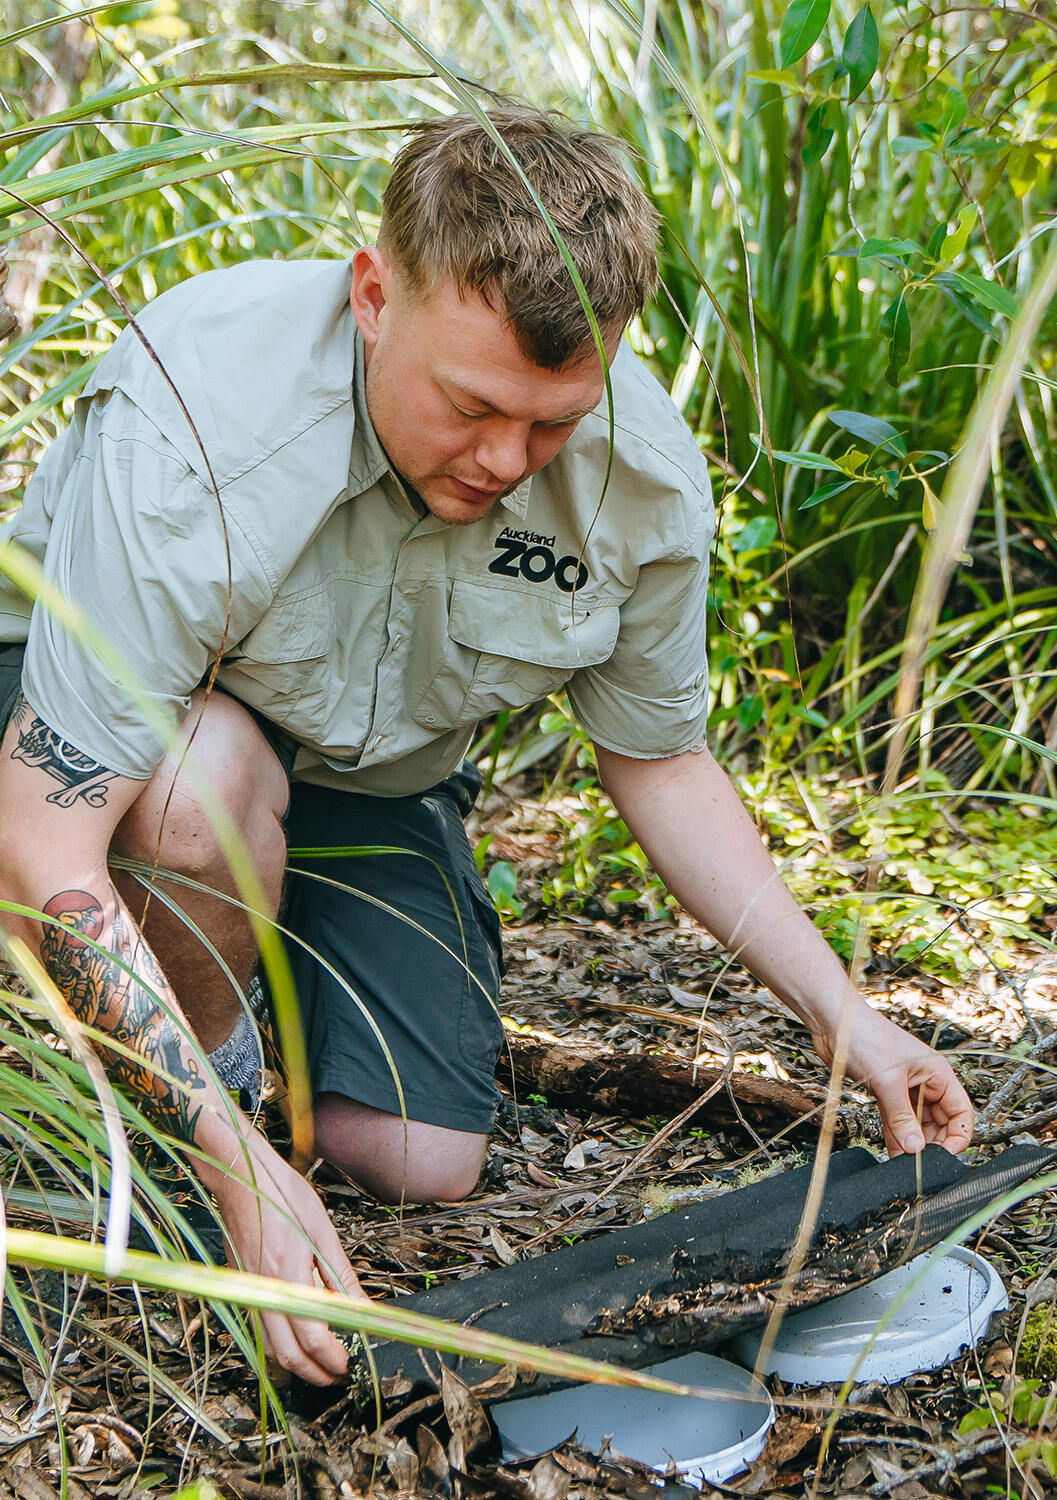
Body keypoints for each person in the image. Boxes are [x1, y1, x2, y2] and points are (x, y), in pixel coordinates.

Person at [0, 105, 974, 1387]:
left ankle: (241, 960)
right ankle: (195, 1114)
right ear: (372, 295)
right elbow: (40, 828)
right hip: (131, 750)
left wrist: (840, 1012)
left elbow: (661, 760)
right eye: (469, 406)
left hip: (368, 775)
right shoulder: (200, 419)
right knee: (199, 791)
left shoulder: (643, 483)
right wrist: (239, 1169)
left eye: (554, 421)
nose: (507, 462)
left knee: (420, 1161)